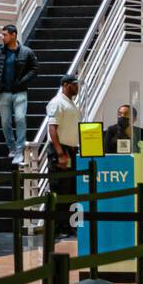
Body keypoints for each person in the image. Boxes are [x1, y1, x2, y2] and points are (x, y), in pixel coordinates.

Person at [0, 23, 37, 163]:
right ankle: (12, 148)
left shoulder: (27, 52)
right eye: (2, 34)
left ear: (14, 35)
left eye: (5, 35)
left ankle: (20, 150)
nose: (2, 37)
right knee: (5, 122)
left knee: (20, 119)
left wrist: (23, 81)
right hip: (4, 92)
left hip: (20, 92)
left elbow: (34, 69)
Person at [103, 105, 143, 214]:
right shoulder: (111, 131)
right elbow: (107, 154)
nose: (122, 117)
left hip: (139, 168)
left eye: (126, 115)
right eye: (120, 114)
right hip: (118, 169)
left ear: (134, 118)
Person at [45, 74, 81, 236]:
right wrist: (60, 153)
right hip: (60, 150)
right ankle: (56, 227)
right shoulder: (57, 103)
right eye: (75, 84)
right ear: (66, 85)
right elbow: (52, 128)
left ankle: (67, 225)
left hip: (71, 150)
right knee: (59, 189)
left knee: (70, 189)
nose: (77, 87)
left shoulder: (70, 103)